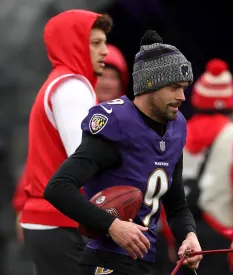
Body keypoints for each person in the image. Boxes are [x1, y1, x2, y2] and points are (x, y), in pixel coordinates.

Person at [43, 30, 202, 275]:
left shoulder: (177, 126)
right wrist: (113, 225)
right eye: (174, 87)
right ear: (150, 84)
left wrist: (188, 235)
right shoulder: (116, 124)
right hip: (106, 260)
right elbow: (58, 187)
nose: (182, 96)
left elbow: (177, 205)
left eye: (183, 88)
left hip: (144, 261)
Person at [18, 10, 113, 275]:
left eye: (104, 42)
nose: (105, 51)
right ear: (73, 44)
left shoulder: (59, 84)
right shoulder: (73, 87)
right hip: (63, 222)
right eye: (95, 43)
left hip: (51, 221)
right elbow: (86, 161)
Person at [160, 58, 233, 275]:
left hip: (183, 236)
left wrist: (170, 238)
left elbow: (161, 185)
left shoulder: (174, 133)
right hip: (222, 235)